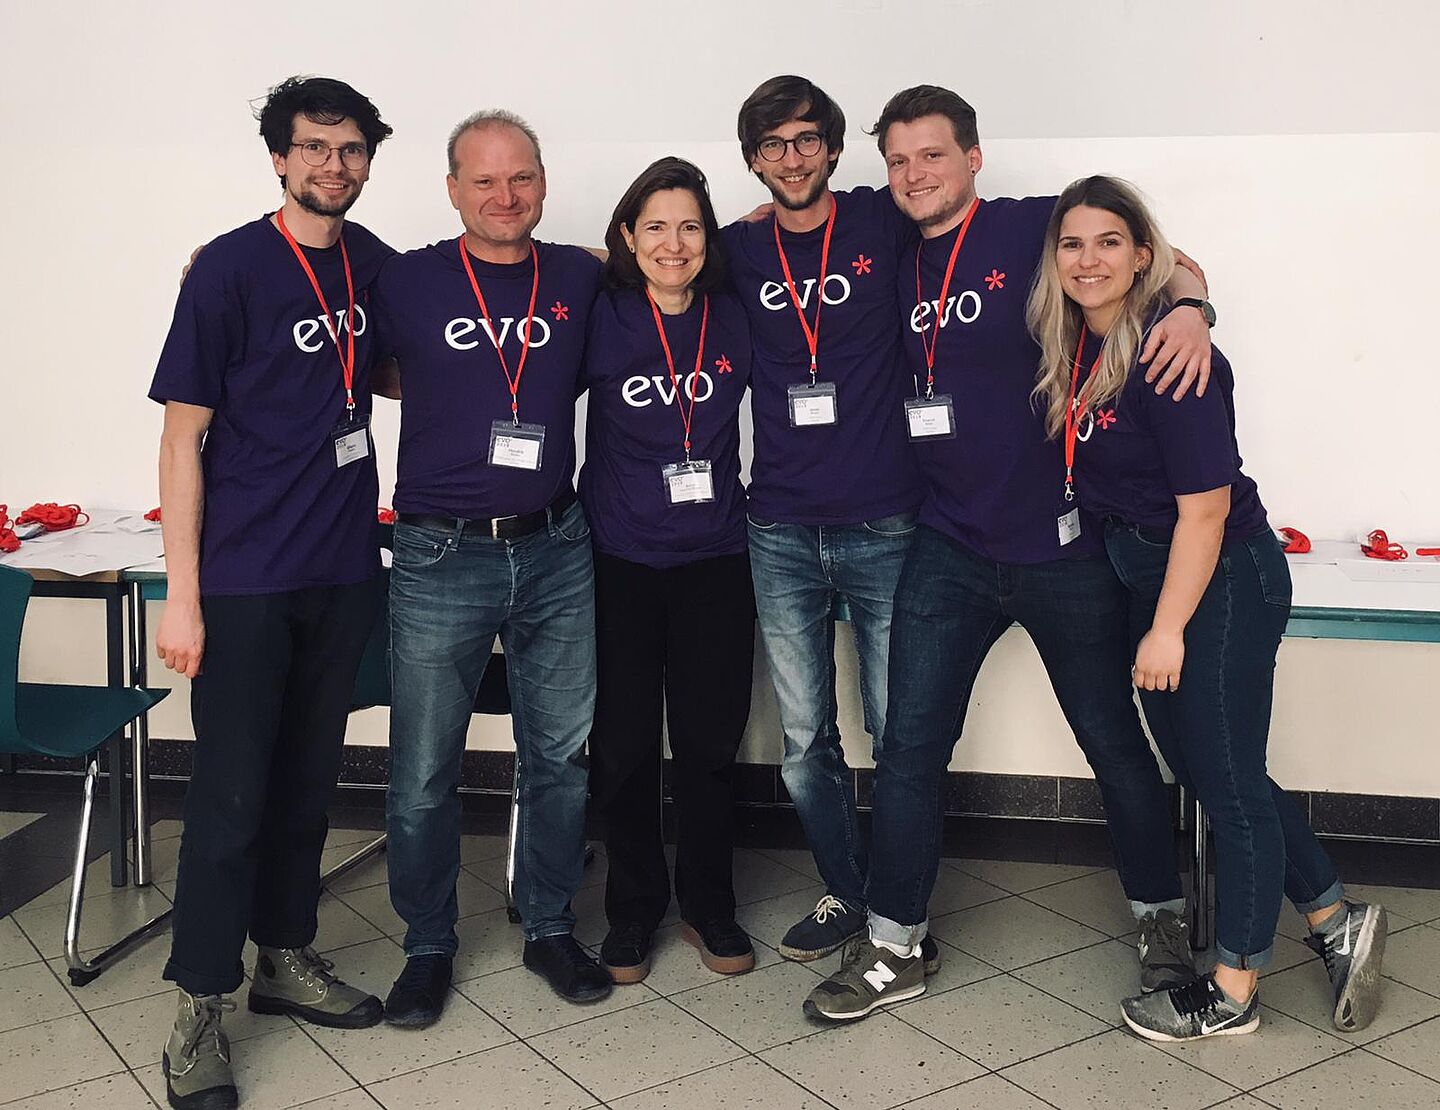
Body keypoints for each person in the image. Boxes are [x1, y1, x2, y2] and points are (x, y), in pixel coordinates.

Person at [805, 85, 1215, 1022]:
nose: (914, 176)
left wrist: (1191, 310)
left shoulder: (1035, 228)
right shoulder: (889, 240)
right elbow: (796, 218)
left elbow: (1167, 259)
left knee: (1115, 742)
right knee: (909, 747)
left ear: (974, 158)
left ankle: (1159, 919)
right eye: (899, 160)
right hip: (946, 546)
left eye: (933, 157)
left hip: (1063, 546)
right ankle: (894, 943)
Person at [1027, 175, 1386, 1041]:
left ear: (1140, 254)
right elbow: (1190, 268)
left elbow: (1206, 509)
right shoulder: (1079, 342)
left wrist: (1165, 627)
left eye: (1109, 242)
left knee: (1224, 782)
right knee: (1213, 769)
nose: (1088, 260)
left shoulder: (1173, 358)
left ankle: (1231, 991)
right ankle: (1336, 922)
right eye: (1072, 244)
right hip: (1158, 576)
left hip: (1217, 578)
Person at [149, 75, 393, 1109]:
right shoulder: (230, 270)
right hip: (245, 583)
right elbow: (180, 438)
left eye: (351, 150)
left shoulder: (374, 262)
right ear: (280, 158)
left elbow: (404, 365)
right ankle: (201, 1002)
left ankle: (285, 956)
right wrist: (184, 595)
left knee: (306, 787)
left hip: (342, 572)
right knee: (231, 798)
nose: (333, 165)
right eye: (315, 148)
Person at [372, 109, 611, 1026]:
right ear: (451, 189)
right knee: (425, 768)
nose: (505, 196)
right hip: (440, 553)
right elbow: (338, 323)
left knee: (557, 756)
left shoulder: (583, 276)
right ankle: (428, 945)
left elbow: (683, 267)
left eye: (522, 178)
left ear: (544, 180)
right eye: (484, 180)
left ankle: (549, 925)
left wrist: (751, 223)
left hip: (557, 545)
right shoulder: (407, 278)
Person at [723, 75, 942, 968]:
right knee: (806, 740)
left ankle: (898, 904)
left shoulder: (882, 222)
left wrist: (1189, 295)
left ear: (834, 148)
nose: (791, 158)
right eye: (772, 145)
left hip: (886, 522)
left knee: (897, 736)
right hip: (777, 529)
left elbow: (1063, 235)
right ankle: (848, 891)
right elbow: (627, 262)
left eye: (806, 139)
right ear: (753, 160)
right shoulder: (735, 249)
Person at [580, 157, 757, 983]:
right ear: (626, 236)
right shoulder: (596, 312)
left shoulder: (736, 314)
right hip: (618, 563)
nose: (674, 242)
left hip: (716, 561)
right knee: (620, 747)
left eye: (690, 225)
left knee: (709, 745)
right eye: (655, 225)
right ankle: (632, 911)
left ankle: (708, 905)